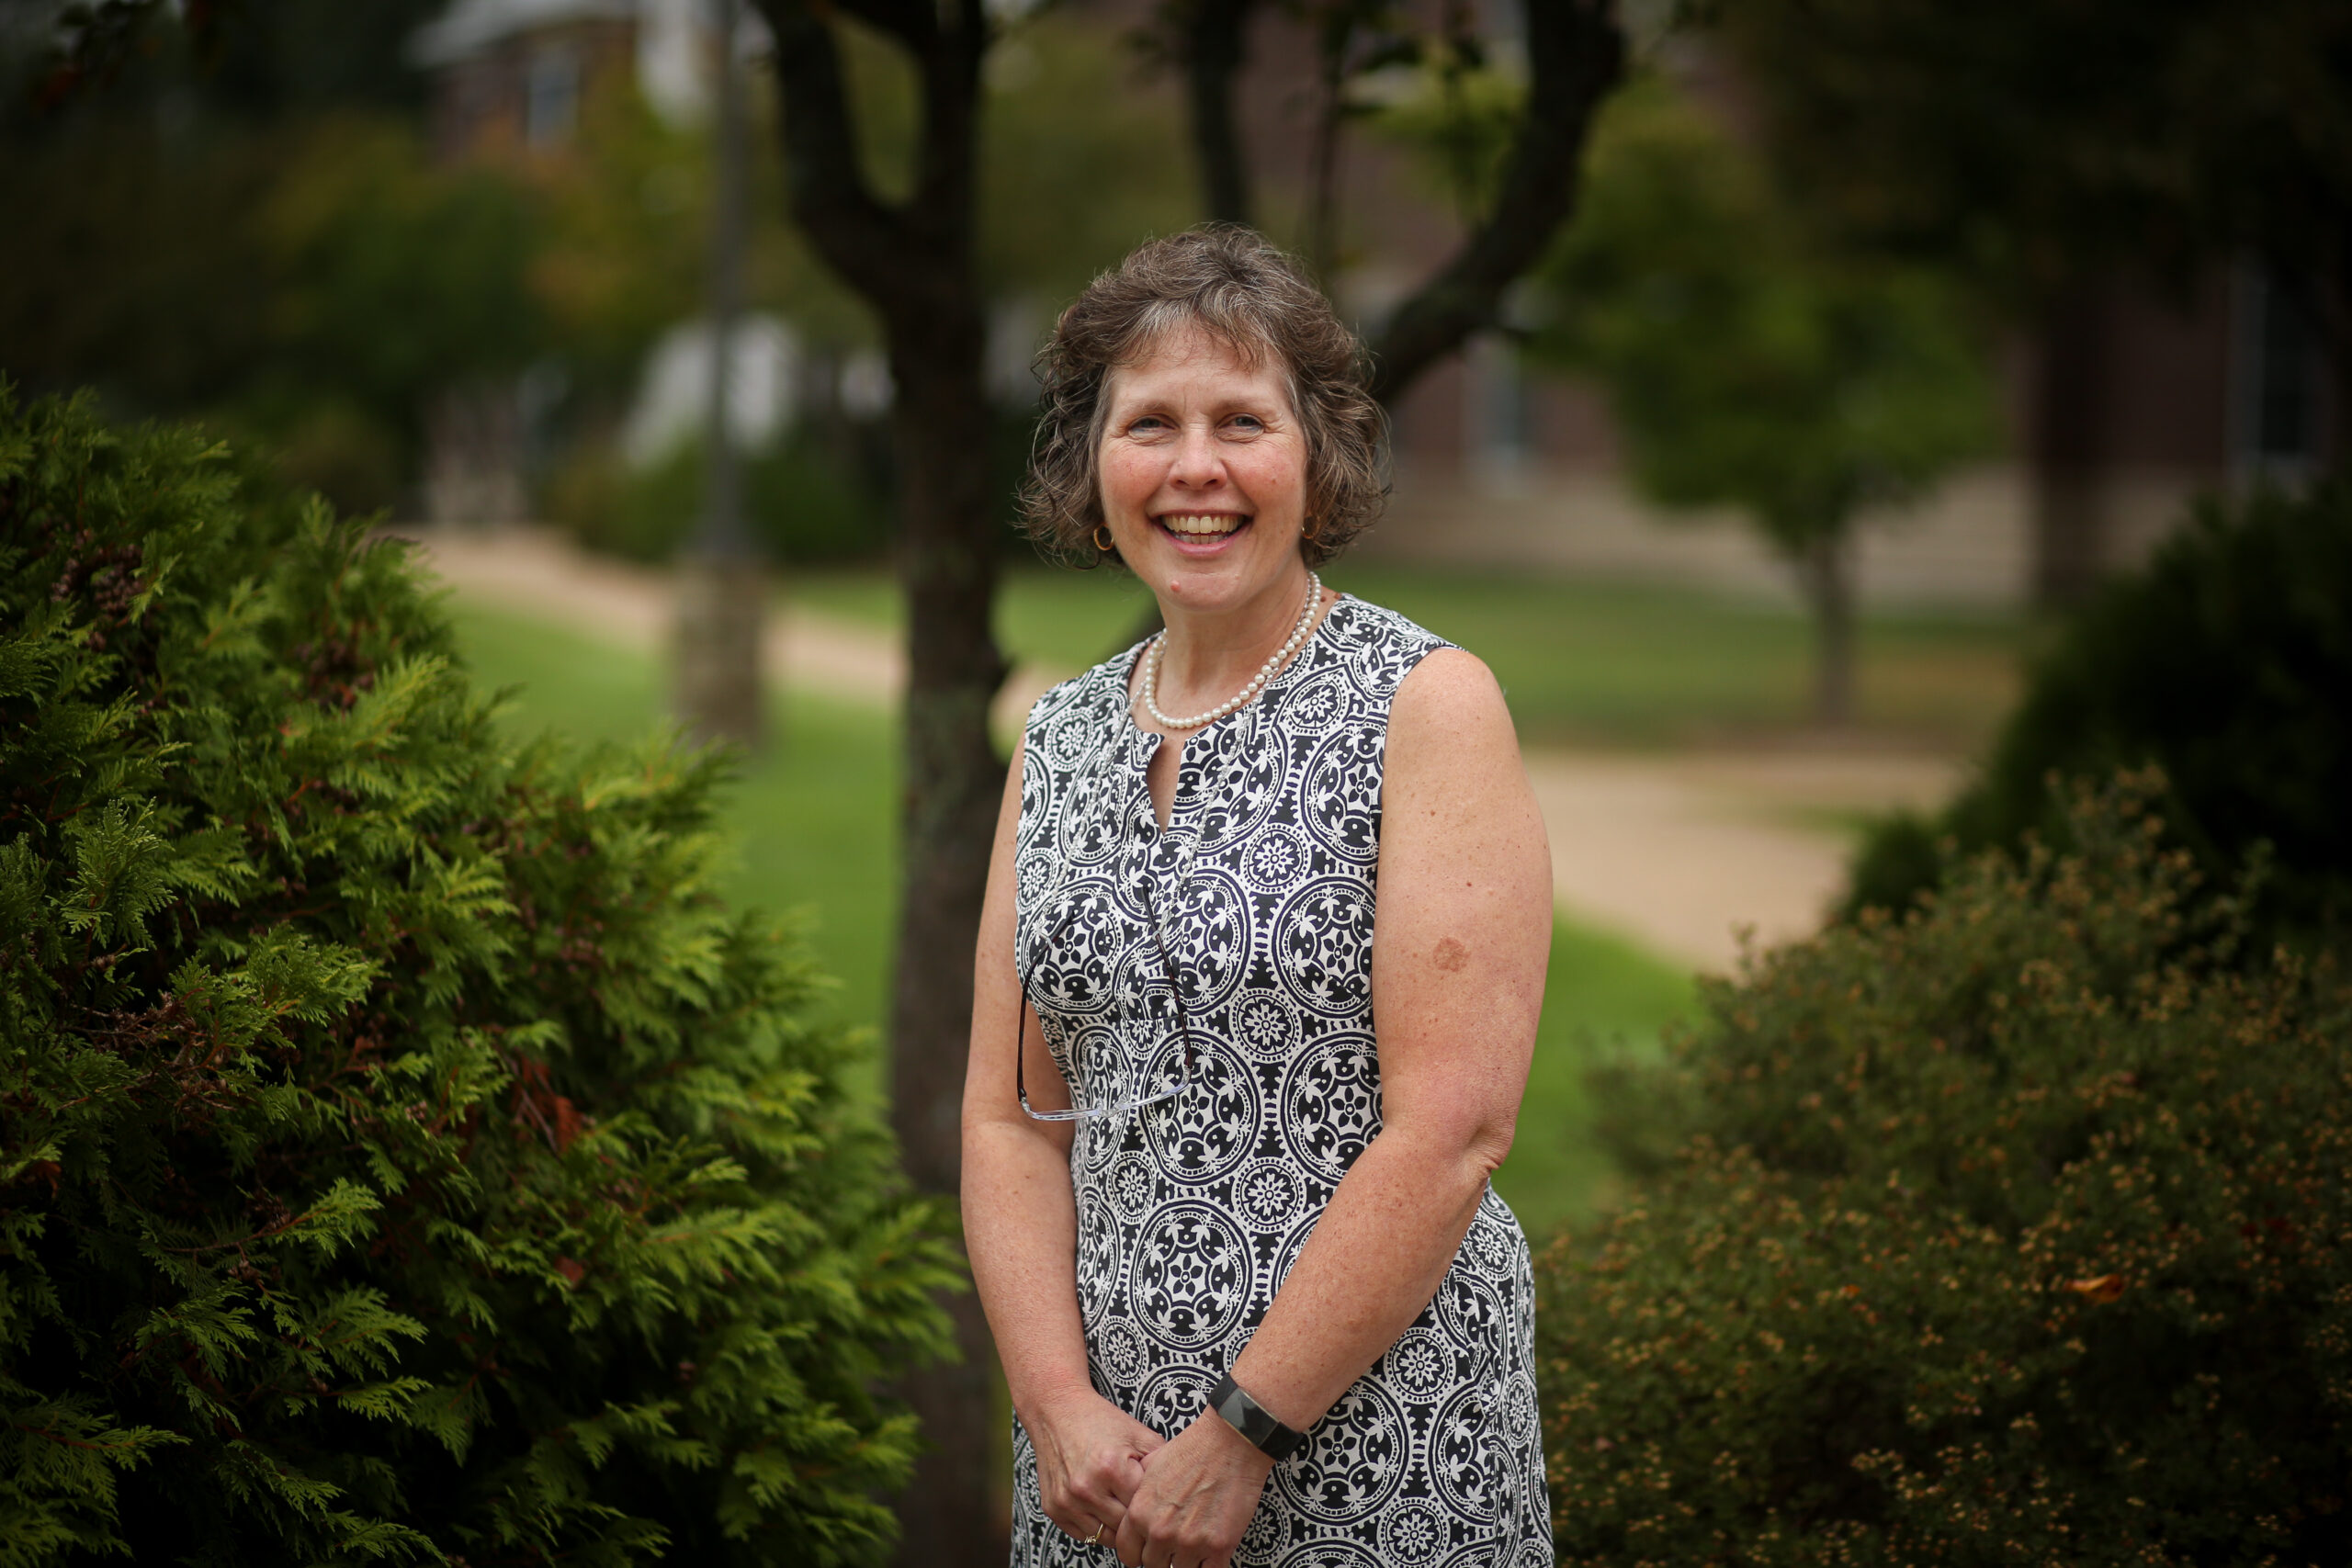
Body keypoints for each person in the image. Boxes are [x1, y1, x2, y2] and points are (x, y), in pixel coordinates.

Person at [963, 226, 1555, 1568]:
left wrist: (1241, 1435)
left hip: (1376, 1448)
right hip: (1096, 1476)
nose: (1196, 470)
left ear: (1319, 452)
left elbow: (1453, 1129)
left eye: (1243, 420)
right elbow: (1009, 1116)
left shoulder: (1425, 707)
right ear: (1088, 462)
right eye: (1150, 424)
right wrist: (1054, 1405)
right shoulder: (1055, 738)